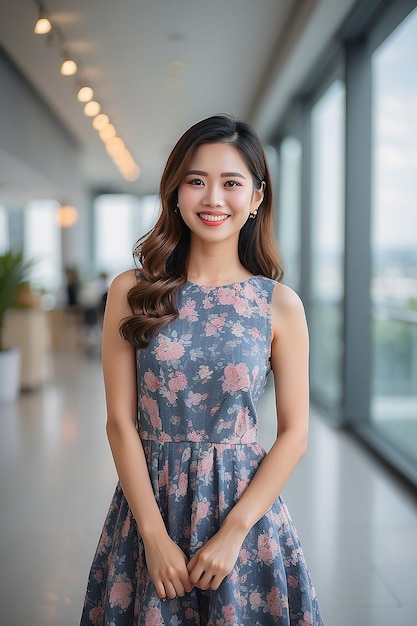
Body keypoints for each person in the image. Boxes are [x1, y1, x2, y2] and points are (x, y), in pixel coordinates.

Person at [80, 114, 324, 625]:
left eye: (231, 183)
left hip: (243, 511)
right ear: (175, 192)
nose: (213, 198)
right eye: (196, 181)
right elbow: (120, 420)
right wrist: (151, 533)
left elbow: (295, 432)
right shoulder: (132, 290)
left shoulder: (278, 304)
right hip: (149, 505)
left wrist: (235, 531)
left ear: (256, 197)